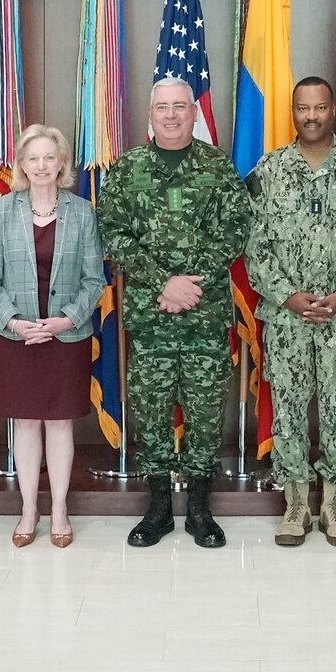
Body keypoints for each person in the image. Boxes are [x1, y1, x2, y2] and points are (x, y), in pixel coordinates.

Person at [98, 76, 253, 549]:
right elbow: (113, 233)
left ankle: (201, 509)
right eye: (162, 107)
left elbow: (236, 228)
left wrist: (189, 282)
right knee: (151, 410)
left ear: (193, 113)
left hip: (203, 314)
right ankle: (160, 507)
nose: (170, 115)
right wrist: (162, 282)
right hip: (151, 315)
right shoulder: (128, 169)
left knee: (207, 412)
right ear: (150, 114)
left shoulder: (217, 167)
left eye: (179, 107)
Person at [245, 78, 336, 547]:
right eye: (303, 108)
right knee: (287, 411)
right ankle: (294, 504)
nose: (312, 116)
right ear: (293, 112)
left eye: (321, 107)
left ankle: (333, 505)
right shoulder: (269, 171)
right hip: (286, 317)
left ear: (334, 111)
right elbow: (254, 248)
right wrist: (288, 295)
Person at [0, 125, 106, 548]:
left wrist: (65, 321)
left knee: (60, 423)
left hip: (65, 338)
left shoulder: (83, 212)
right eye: (34, 158)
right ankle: (29, 508)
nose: (42, 165)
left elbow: (94, 279)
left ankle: (60, 509)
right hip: (18, 338)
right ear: (22, 165)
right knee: (26, 423)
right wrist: (14, 322)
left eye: (50, 157)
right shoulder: (1, 211)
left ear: (62, 163)